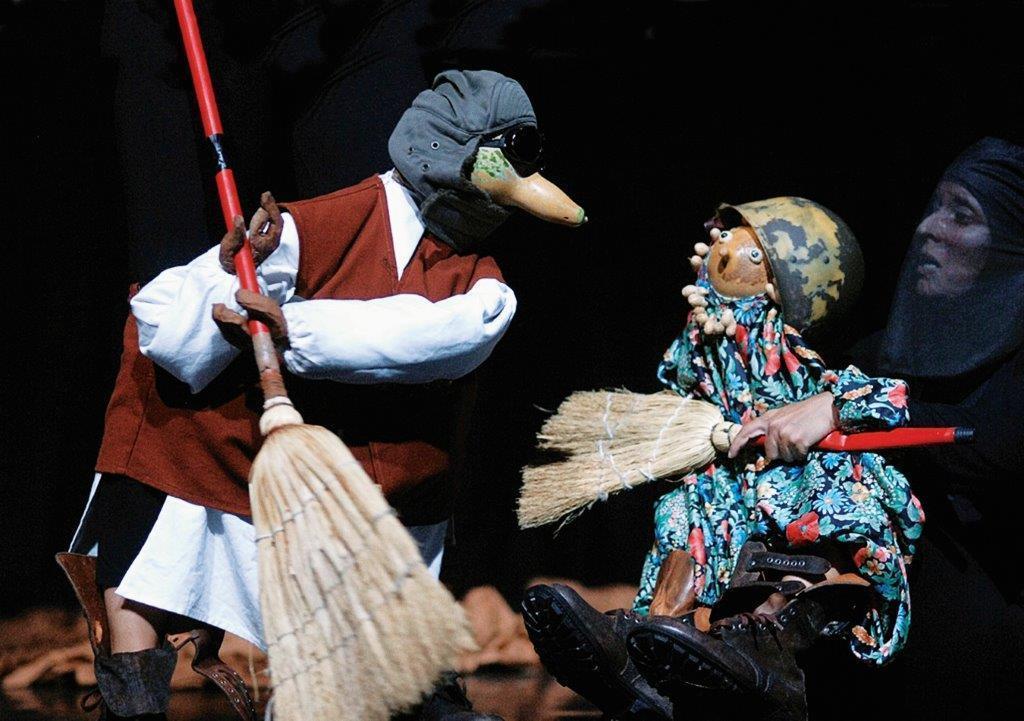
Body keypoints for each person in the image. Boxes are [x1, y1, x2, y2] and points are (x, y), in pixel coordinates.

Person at [61, 69, 585, 721]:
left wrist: (293, 328)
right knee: (156, 537)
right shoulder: (309, 228)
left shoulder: (481, 286)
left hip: (383, 488)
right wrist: (229, 277)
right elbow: (166, 324)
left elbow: (427, 335)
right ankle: (132, 696)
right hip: (236, 459)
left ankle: (405, 692)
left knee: (377, 659)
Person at [523, 198, 922, 721]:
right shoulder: (705, 331)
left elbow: (888, 398)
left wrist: (827, 410)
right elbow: (682, 388)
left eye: (752, 252)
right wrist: (709, 426)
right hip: (729, 477)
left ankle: (768, 644)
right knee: (683, 514)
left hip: (799, 474)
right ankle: (656, 633)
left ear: (784, 282)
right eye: (726, 237)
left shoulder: (791, 347)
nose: (724, 249)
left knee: (824, 517)